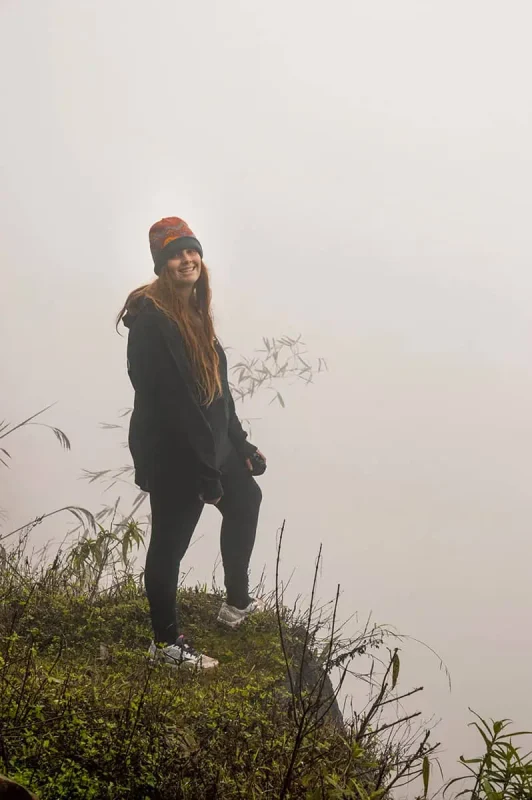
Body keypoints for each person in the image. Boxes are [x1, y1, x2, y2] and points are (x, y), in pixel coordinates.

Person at [117, 217, 266, 669]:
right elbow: (171, 405)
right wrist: (204, 469)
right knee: (169, 544)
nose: (186, 260)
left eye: (191, 251)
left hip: (211, 445)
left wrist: (238, 444)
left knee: (246, 500)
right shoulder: (152, 322)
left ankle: (236, 601)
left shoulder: (195, 311)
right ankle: (165, 645)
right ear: (161, 265)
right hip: (176, 453)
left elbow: (217, 389)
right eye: (175, 254)